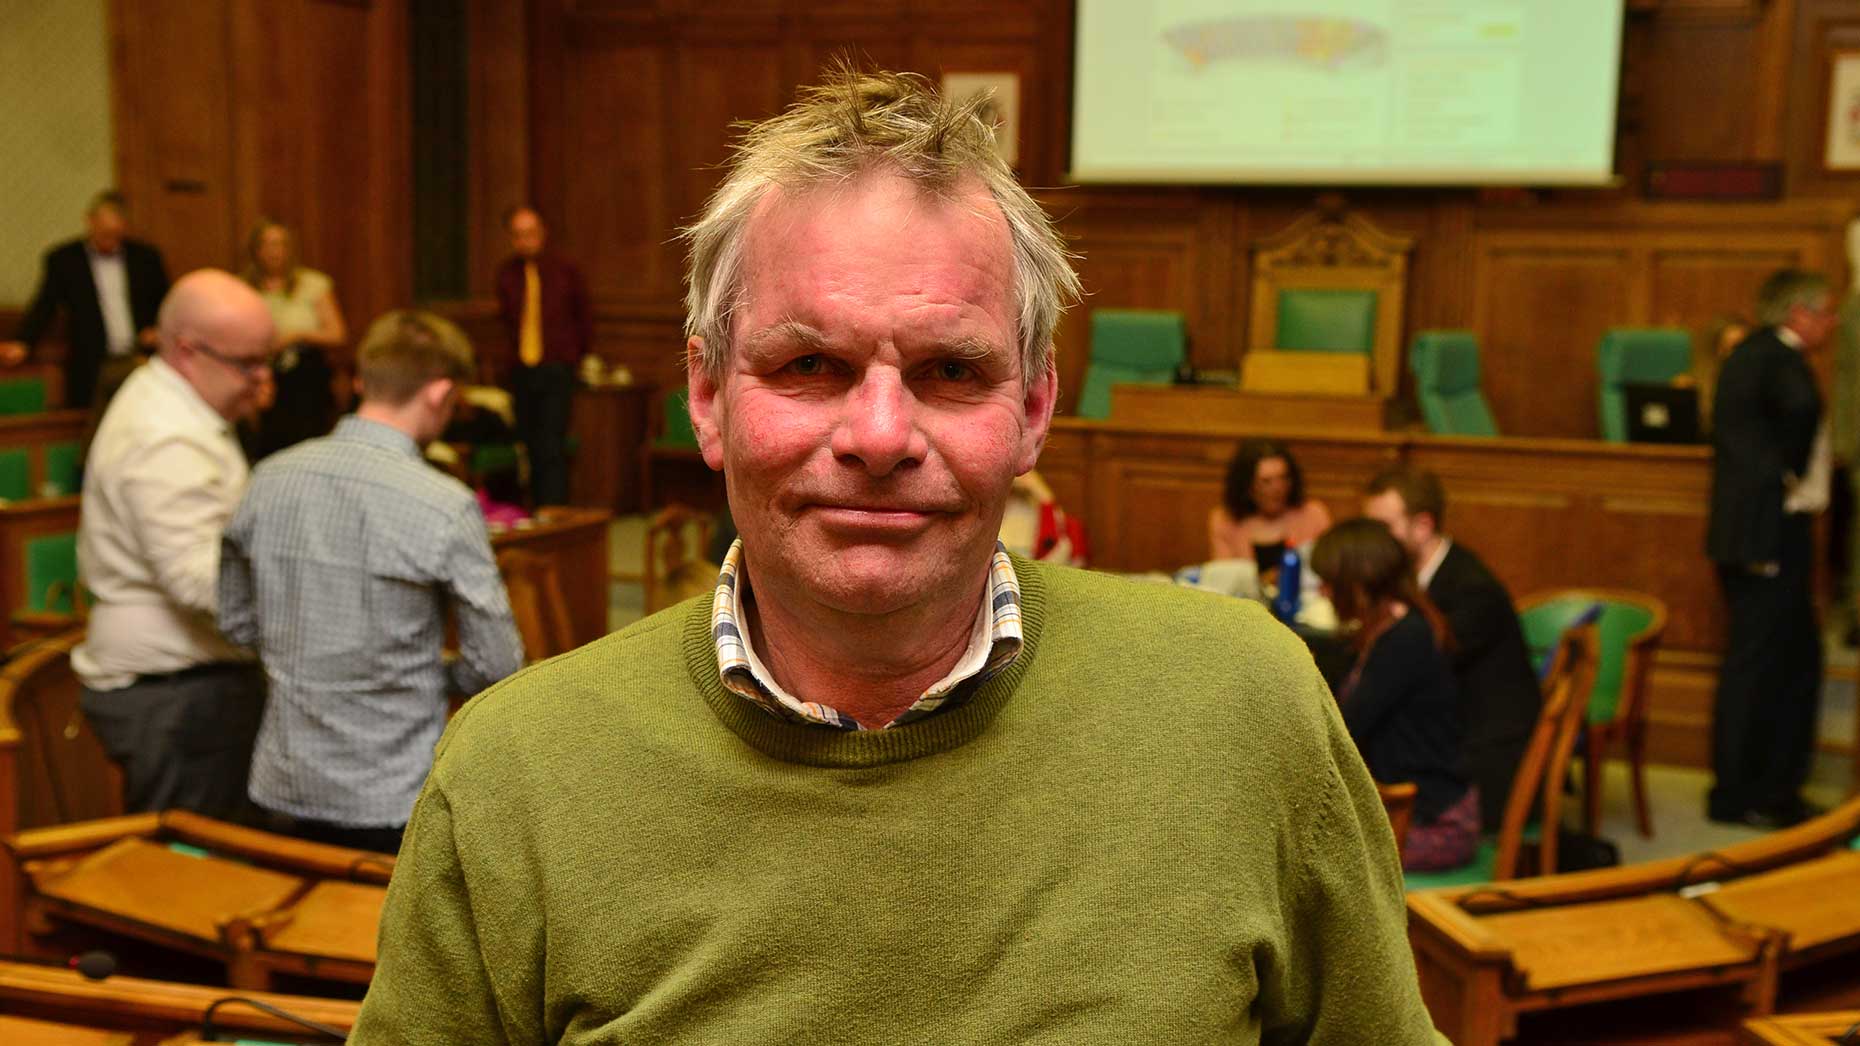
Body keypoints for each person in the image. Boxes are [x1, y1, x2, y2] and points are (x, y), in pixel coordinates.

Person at [351, 68, 1436, 1042]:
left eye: (951, 370)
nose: (879, 434)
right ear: (705, 398)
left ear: (1036, 407)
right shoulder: (513, 771)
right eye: (811, 363)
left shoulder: (1245, 700)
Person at [219, 310, 523, 854]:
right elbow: (498, 666)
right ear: (440, 394)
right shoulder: (444, 504)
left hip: (283, 783)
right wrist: (424, 671)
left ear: (361, 381)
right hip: (391, 798)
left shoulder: (269, 478)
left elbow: (237, 623)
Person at [74, 269, 274, 819]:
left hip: (190, 681)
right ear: (188, 351)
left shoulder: (182, 405)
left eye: (266, 361)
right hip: (175, 694)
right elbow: (199, 582)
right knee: (193, 880)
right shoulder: (164, 434)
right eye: (247, 363)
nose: (261, 380)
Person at [1706, 269, 1834, 829]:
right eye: (1826, 312)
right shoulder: (1771, 359)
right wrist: (1786, 476)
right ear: (1798, 315)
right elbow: (1798, 415)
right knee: (1759, 667)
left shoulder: (1757, 356)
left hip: (1765, 534)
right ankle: (1744, 793)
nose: (1833, 323)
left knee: (1790, 660)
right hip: (1765, 536)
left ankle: (1772, 786)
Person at [1363, 466, 1540, 831]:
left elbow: (1415, 666)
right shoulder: (1418, 577)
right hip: (1446, 733)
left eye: (1383, 529)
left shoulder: (1472, 590)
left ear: (1423, 526)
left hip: (1479, 766)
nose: (1373, 543)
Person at [1312, 518, 1476, 873]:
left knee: (1306, 859)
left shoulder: (1404, 641)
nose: (1322, 592)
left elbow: (1344, 732)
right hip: (1411, 807)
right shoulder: (1389, 629)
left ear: (1357, 587)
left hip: (1433, 821)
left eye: (1329, 583)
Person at [2, 190, 171, 409]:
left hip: (141, 357)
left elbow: (167, 302)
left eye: (115, 235)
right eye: (104, 234)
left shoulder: (145, 258)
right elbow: (45, 305)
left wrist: (160, 330)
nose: (110, 241)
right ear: (90, 221)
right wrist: (22, 342)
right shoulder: (65, 260)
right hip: (93, 362)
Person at [494, 205, 590, 508]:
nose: (526, 241)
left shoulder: (565, 270)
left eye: (531, 234)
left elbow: (584, 318)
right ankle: (534, 508)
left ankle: (554, 510)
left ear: (542, 233)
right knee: (530, 445)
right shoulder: (507, 275)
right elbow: (507, 323)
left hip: (556, 367)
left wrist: (573, 357)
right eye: (519, 235)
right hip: (522, 370)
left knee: (552, 445)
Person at [241, 219, 345, 459]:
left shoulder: (313, 284)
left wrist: (295, 336)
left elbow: (337, 334)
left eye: (280, 244)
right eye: (267, 244)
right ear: (256, 251)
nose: (274, 251)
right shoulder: (242, 287)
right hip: (261, 370)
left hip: (305, 375)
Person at [1208, 437, 1332, 565]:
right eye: (1266, 481)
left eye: (1283, 478)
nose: (1277, 488)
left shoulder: (1314, 515)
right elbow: (1224, 576)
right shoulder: (1224, 520)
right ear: (1246, 485)